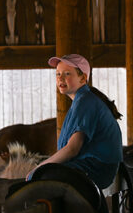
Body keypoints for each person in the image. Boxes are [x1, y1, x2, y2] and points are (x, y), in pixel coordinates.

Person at [29, 54, 123, 189]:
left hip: (96, 168)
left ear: (83, 78)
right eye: (58, 74)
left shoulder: (85, 102)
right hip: (96, 166)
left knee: (43, 176)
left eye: (67, 74)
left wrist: (38, 168)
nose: (60, 78)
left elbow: (72, 149)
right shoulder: (82, 100)